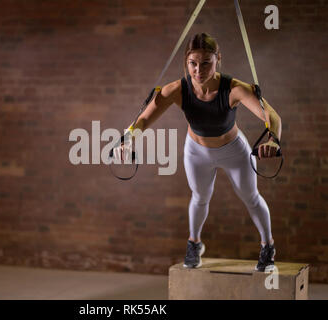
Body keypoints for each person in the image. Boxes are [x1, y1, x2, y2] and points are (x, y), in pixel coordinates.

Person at [113, 33, 281, 272]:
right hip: (196, 152)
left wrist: (272, 140)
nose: (198, 70)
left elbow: (272, 117)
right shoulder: (177, 90)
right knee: (200, 197)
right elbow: (142, 120)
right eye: (193, 63)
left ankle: (268, 246)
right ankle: (194, 243)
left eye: (206, 63)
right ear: (186, 62)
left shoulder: (233, 89)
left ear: (217, 60)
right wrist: (128, 139)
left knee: (250, 197)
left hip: (233, 151)